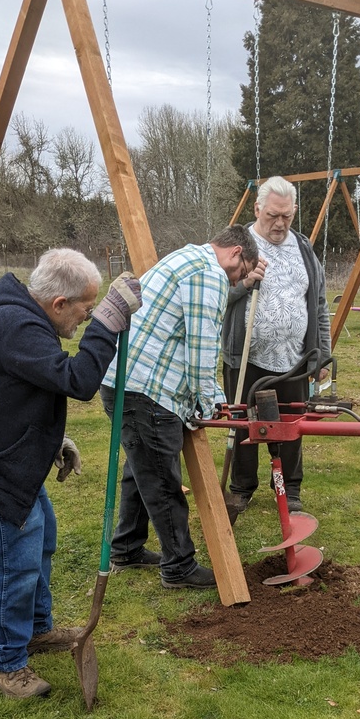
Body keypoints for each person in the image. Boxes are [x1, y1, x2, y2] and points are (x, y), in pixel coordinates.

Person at [0, 249, 142, 699]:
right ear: (59, 303)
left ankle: (35, 629)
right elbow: (78, 381)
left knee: (40, 535)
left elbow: (18, 387)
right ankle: (3, 663)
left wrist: (51, 442)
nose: (85, 317)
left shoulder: (21, 320)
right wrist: (109, 322)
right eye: (85, 308)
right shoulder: (17, 324)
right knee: (13, 557)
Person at [98, 224, 259, 590]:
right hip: (148, 389)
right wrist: (211, 404)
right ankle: (179, 567)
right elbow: (203, 350)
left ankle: (126, 547)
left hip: (126, 381)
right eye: (241, 271)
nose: (238, 280)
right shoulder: (209, 274)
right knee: (162, 478)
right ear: (234, 252)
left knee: (142, 466)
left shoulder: (185, 257)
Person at [221, 175, 332, 518]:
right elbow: (214, 296)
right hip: (246, 357)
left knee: (292, 423)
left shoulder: (303, 248)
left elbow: (320, 304)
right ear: (258, 209)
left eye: (287, 215)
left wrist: (322, 354)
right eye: (272, 215)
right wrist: (243, 284)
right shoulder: (237, 245)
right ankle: (241, 488)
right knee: (243, 423)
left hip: (294, 358)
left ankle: (290, 487)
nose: (280, 223)